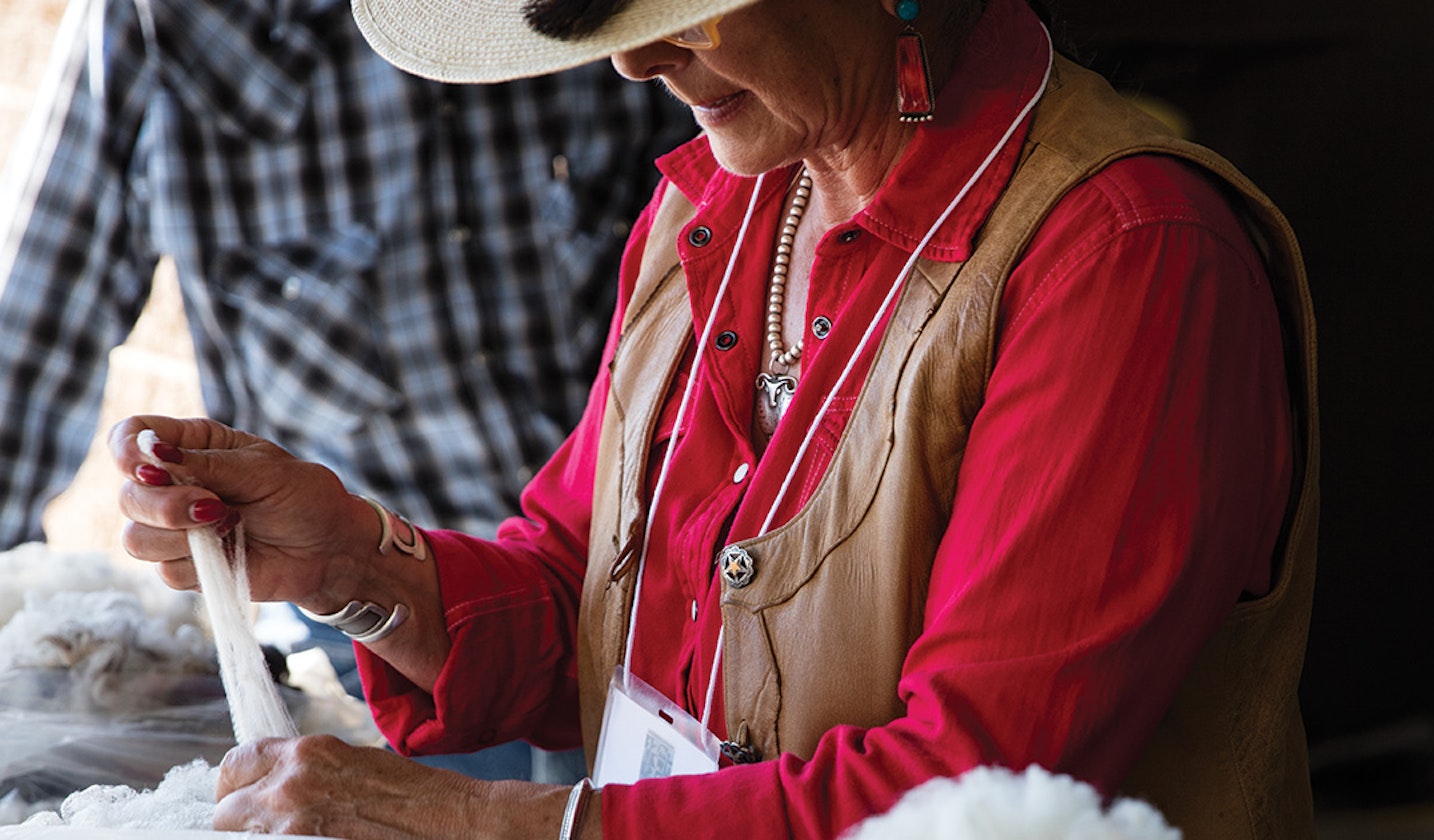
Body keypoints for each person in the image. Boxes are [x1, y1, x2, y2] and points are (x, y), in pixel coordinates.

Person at [111, 0, 1321, 836]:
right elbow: (586, 602)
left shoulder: (1125, 262)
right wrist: (353, 563)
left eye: (683, 7)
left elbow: (968, 801)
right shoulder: (731, 206)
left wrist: (486, 822)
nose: (637, 64)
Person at [0, 0, 694, 781]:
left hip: (625, 605)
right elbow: (27, 343)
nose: (642, 62)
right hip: (367, 631)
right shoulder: (165, 26)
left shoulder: (603, 38)